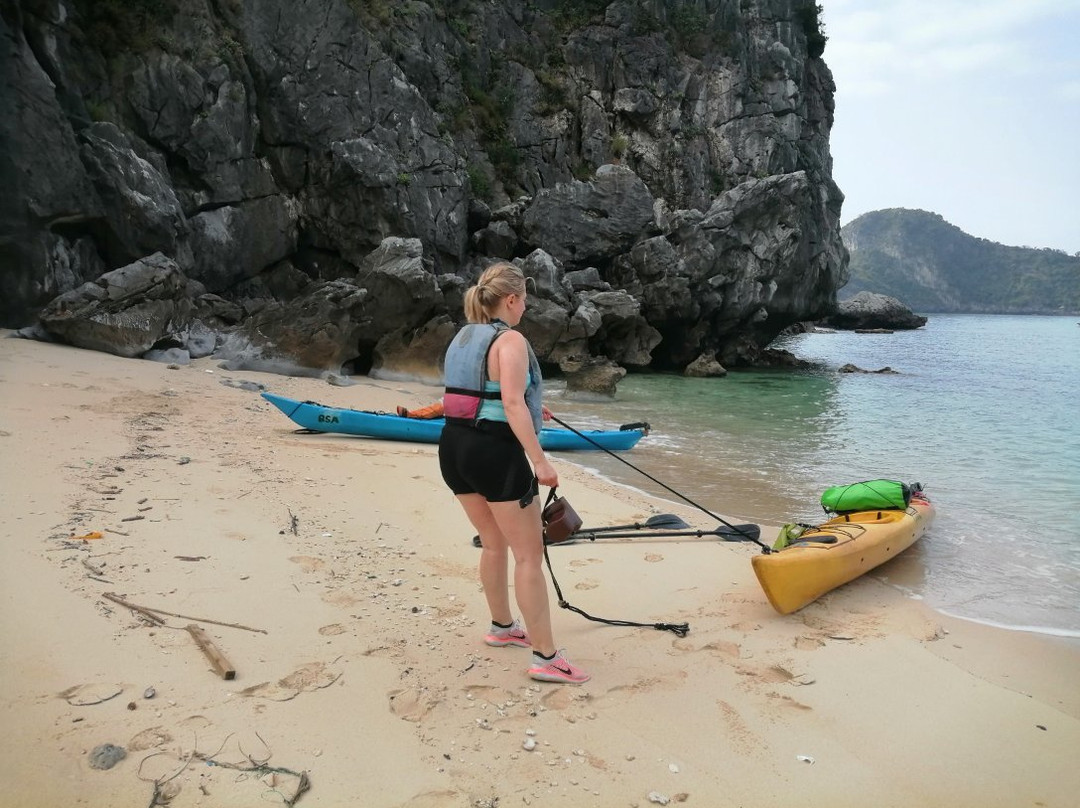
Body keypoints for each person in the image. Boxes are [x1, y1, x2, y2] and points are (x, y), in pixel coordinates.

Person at [437, 262, 590, 684]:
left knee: (492, 545)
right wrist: (540, 461)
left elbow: (477, 393)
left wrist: (529, 406)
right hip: (495, 454)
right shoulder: (512, 339)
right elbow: (510, 403)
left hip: (454, 448)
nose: (525, 308)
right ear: (510, 299)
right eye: (524, 299)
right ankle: (546, 658)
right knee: (528, 555)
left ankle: (502, 629)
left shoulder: (463, 336)